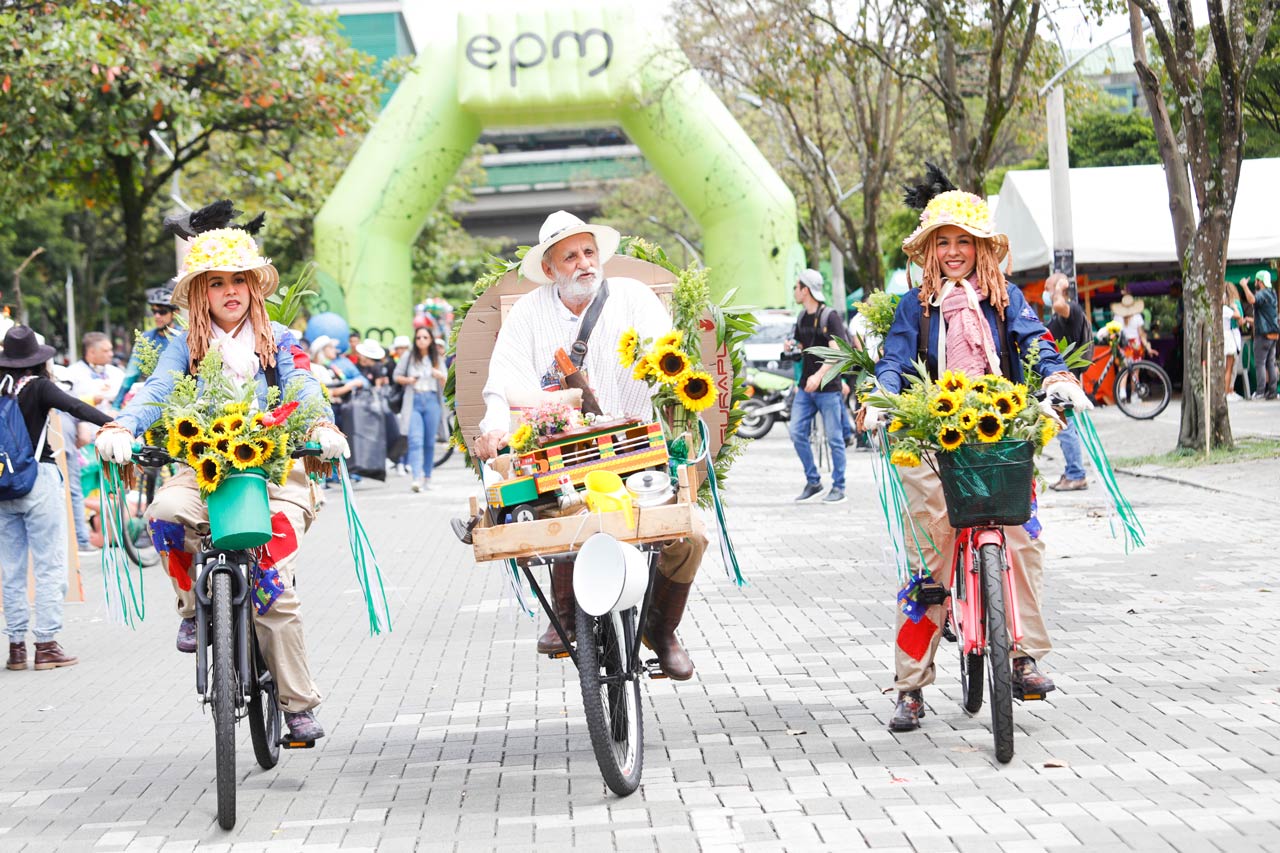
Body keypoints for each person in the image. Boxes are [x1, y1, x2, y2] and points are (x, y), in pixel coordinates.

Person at [93, 222, 349, 742]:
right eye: (215, 282)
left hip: (277, 472)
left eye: (239, 279)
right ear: (199, 294)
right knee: (162, 515)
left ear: (254, 287)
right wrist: (122, 426)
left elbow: (302, 384)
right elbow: (157, 390)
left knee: (273, 590)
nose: (229, 290)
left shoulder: (280, 341)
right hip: (202, 471)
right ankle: (191, 609)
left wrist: (321, 425)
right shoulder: (183, 346)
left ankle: (297, 707)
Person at [863, 170, 1090, 733]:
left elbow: (1036, 341)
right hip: (928, 437)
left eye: (965, 240)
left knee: (1023, 542)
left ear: (982, 248)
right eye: (944, 241)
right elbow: (893, 361)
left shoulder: (1005, 296)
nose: (955, 251)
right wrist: (881, 398)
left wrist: (1057, 377)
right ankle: (910, 686)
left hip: (999, 433)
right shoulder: (914, 307)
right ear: (930, 251)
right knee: (927, 566)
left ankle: (1021, 656)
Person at [473, 210, 707, 680]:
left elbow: (669, 360)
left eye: (589, 252)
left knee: (692, 533)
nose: (584, 263)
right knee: (565, 514)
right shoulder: (527, 314)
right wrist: (495, 429)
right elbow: (501, 385)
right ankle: (564, 615)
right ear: (550, 269)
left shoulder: (633, 297)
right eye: (570, 256)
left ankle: (661, 629)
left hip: (639, 452)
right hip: (562, 461)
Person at [1, 325, 113, 671]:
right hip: (39, 481)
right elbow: (77, 408)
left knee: (11, 568)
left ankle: (16, 647)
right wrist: (114, 424)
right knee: (50, 565)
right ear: (37, 360)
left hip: (4, 486)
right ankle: (46, 644)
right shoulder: (40, 387)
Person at [784, 269, 848, 504]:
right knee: (796, 432)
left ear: (806, 289)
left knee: (835, 439)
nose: (794, 291)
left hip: (828, 389)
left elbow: (837, 351)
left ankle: (839, 487)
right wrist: (792, 346)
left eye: (796, 286)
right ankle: (814, 481)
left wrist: (819, 376)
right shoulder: (801, 317)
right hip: (805, 388)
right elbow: (803, 345)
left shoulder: (829, 317)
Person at [1043, 273, 1091, 491]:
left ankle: (1076, 474)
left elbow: (1060, 303)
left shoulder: (1071, 310)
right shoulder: (1059, 316)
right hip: (1057, 379)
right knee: (1064, 427)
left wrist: (1060, 289)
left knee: (1066, 426)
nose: (1045, 293)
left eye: (1047, 288)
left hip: (1065, 380)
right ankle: (1071, 470)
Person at [394, 326, 446, 492]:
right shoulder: (409, 356)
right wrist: (409, 380)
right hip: (414, 400)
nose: (421, 340)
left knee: (429, 442)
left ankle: (427, 477)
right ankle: (416, 478)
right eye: (418, 338)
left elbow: (446, 381)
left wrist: (439, 375)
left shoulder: (436, 357)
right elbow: (396, 376)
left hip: (431, 400)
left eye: (425, 337)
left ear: (430, 339)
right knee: (415, 440)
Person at [113, 283, 180, 408]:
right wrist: (116, 406)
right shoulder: (145, 339)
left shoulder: (184, 336)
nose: (157, 316)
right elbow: (131, 374)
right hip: (154, 399)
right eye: (154, 311)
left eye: (162, 311)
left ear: (175, 313)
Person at [66, 331, 124, 415]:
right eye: (105, 351)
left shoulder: (117, 373)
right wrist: (91, 400)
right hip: (86, 425)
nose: (111, 354)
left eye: (111, 350)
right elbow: (66, 403)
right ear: (91, 352)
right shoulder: (72, 373)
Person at [1243, 271, 1278, 399]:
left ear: (1260, 281)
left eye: (1256, 280)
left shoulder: (1262, 293)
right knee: (1271, 363)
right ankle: (1273, 392)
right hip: (1273, 334)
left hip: (1262, 335)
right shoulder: (1273, 293)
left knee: (1260, 363)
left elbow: (1252, 299)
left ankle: (1260, 392)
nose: (1255, 283)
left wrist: (1244, 286)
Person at [1223, 281, 1245, 401]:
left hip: (1223, 338)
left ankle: (1227, 391)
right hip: (1230, 338)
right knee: (1230, 367)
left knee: (1225, 367)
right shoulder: (1227, 308)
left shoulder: (1218, 308)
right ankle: (1227, 392)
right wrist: (1235, 307)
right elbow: (1239, 318)